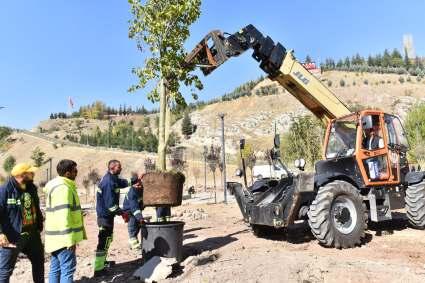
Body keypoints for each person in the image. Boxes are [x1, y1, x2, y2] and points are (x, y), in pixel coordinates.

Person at [0, 163, 44, 283]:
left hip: (32, 234)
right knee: (5, 270)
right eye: (30, 173)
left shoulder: (31, 188)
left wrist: (39, 222)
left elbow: (36, 207)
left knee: (39, 262)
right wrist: (1, 233)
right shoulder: (5, 190)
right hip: (12, 236)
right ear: (22, 175)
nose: (33, 174)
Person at [44, 159, 86, 283]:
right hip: (63, 239)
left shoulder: (56, 186)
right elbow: (63, 215)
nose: (77, 172)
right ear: (67, 173)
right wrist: (69, 240)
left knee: (55, 269)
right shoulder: (64, 188)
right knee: (67, 270)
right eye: (74, 170)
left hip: (55, 238)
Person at [94, 160, 129, 277]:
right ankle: (98, 269)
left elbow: (122, 183)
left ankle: (103, 262)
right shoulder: (108, 182)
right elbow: (111, 206)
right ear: (112, 168)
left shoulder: (113, 178)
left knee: (108, 239)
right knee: (103, 241)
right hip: (105, 217)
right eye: (119, 167)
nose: (121, 168)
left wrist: (134, 180)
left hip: (107, 217)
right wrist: (123, 213)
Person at [122, 176, 145, 250]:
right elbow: (134, 207)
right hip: (129, 212)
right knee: (132, 227)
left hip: (136, 211)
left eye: (140, 184)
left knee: (138, 227)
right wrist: (140, 218)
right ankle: (135, 246)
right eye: (137, 185)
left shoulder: (141, 190)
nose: (139, 186)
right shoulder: (132, 193)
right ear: (133, 185)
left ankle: (132, 242)